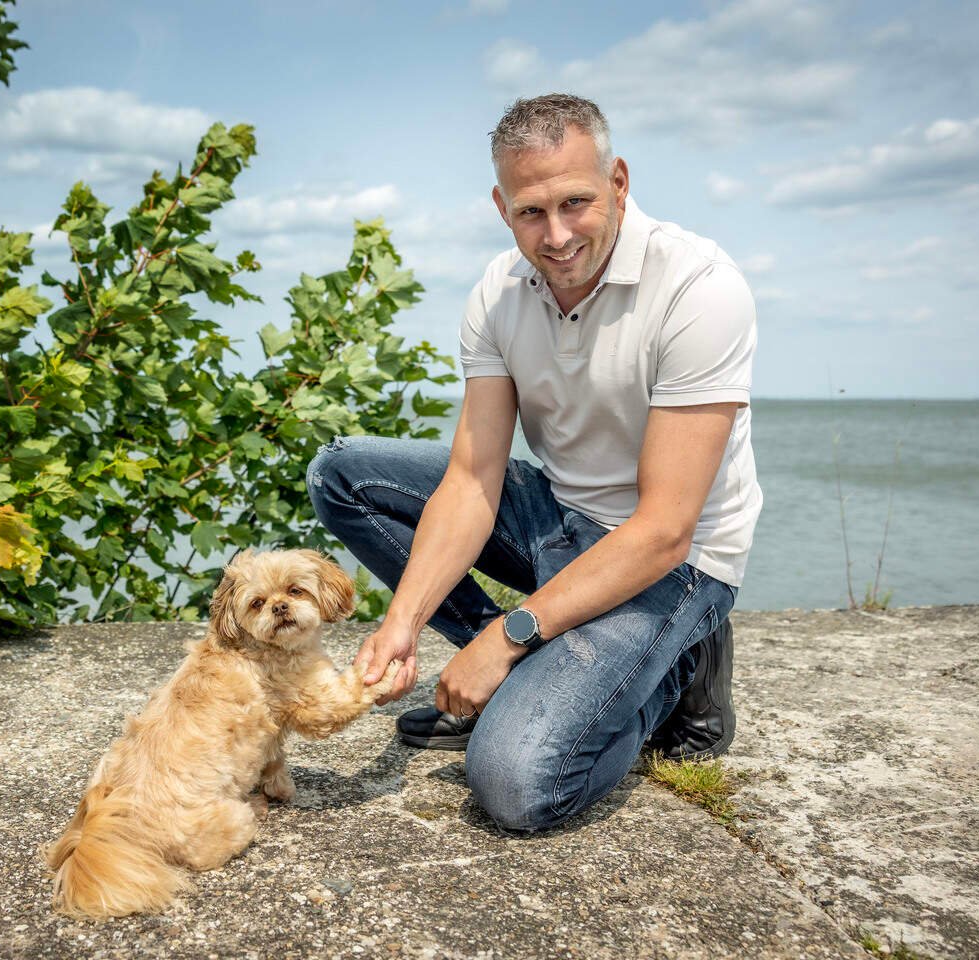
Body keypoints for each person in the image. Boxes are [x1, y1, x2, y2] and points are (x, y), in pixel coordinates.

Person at [305, 93, 761, 832]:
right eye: (530, 212)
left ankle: (679, 664)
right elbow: (473, 477)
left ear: (618, 181)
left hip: (673, 561)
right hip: (558, 516)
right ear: (500, 205)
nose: (556, 236)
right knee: (342, 473)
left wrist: (505, 638)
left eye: (575, 202)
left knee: (519, 785)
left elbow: (667, 528)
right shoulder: (498, 293)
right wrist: (403, 622)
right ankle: (515, 678)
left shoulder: (699, 289)